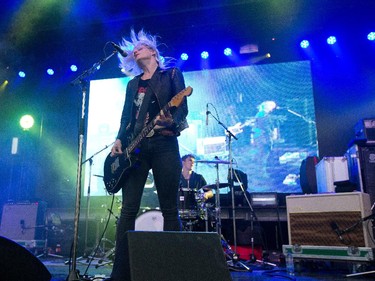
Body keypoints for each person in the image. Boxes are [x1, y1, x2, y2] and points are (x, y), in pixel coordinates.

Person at [108, 29, 189, 281]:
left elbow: (182, 109)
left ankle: (172, 272)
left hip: (164, 145)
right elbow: (126, 117)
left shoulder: (172, 74)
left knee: (169, 209)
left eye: (141, 47)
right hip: (135, 150)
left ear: (153, 52)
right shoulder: (133, 84)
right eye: (134, 49)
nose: (136, 50)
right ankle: (120, 274)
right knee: (128, 211)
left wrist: (170, 122)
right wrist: (120, 138)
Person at [180, 154, 214, 230]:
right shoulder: (177, 177)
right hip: (180, 210)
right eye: (190, 160)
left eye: (193, 162)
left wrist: (206, 194)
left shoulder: (198, 177)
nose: (192, 163)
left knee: (208, 217)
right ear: (183, 162)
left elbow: (211, 192)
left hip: (197, 210)